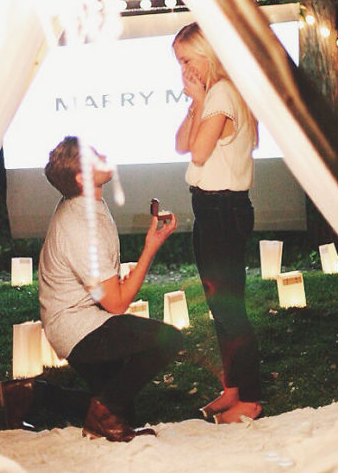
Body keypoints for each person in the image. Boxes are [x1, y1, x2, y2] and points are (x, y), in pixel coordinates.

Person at [37, 136, 183, 442]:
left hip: (79, 317)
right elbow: (115, 305)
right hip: (77, 328)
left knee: (123, 412)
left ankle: (32, 395)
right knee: (167, 340)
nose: (104, 155)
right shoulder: (81, 226)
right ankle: (100, 412)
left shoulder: (84, 203)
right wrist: (150, 248)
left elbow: (101, 284)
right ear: (82, 178)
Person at [173, 22, 263, 423]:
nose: (184, 70)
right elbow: (180, 143)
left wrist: (200, 96)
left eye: (187, 60)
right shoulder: (214, 95)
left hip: (223, 210)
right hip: (212, 210)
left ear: (207, 55)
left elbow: (196, 152)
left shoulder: (223, 93)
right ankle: (233, 389)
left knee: (230, 308)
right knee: (219, 307)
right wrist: (195, 101)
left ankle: (250, 398)